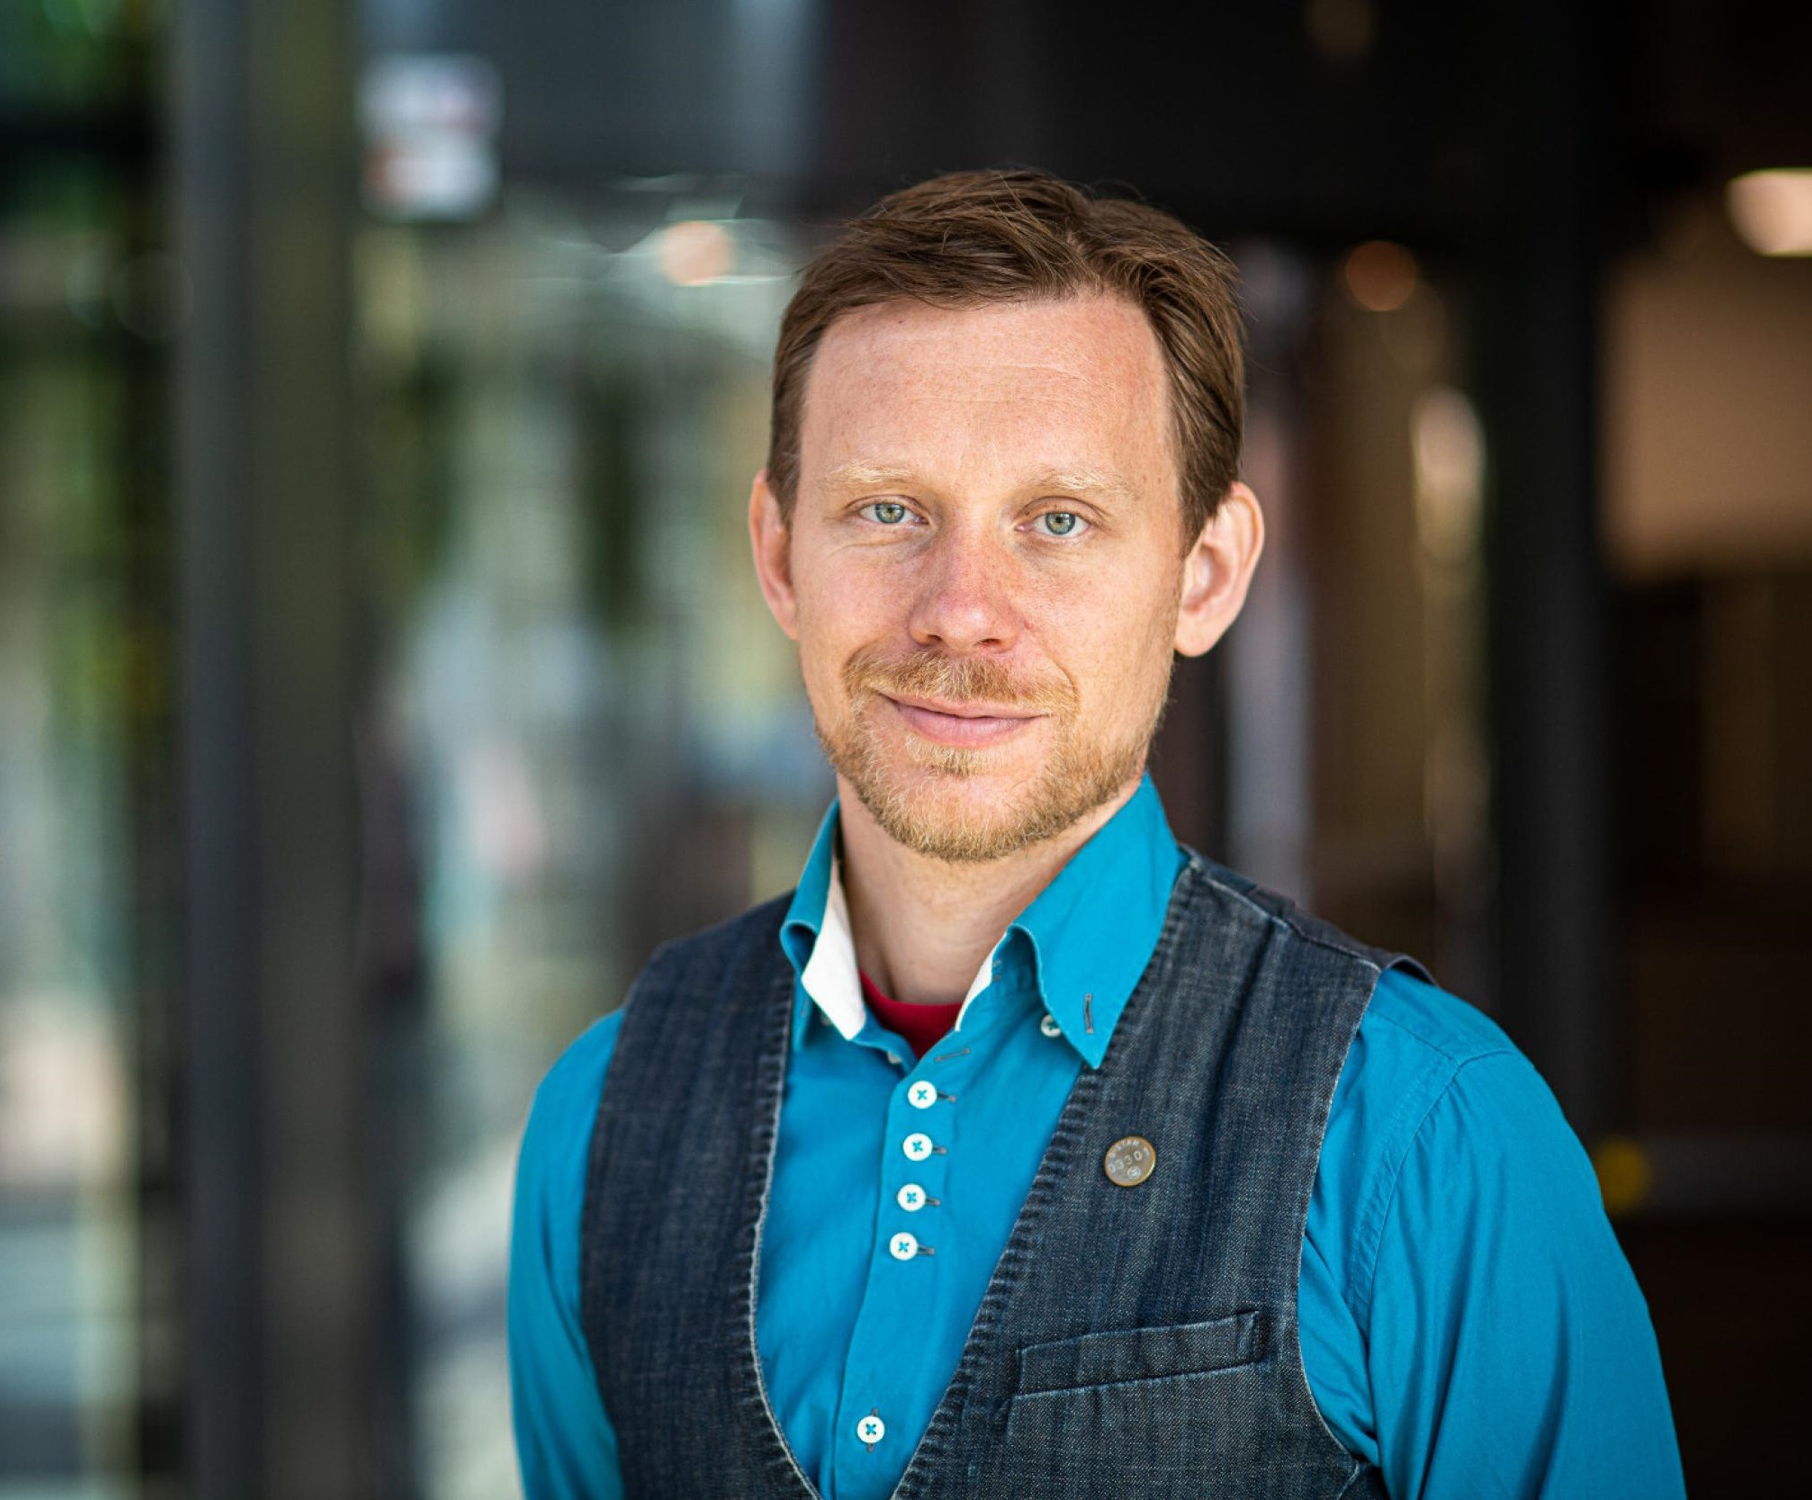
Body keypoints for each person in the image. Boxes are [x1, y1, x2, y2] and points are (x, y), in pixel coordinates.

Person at [506, 168, 1682, 1499]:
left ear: (1205, 573)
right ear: (780, 554)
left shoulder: (1425, 1134)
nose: (958, 610)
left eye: (1057, 522)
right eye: (885, 511)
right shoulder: (602, 1121)